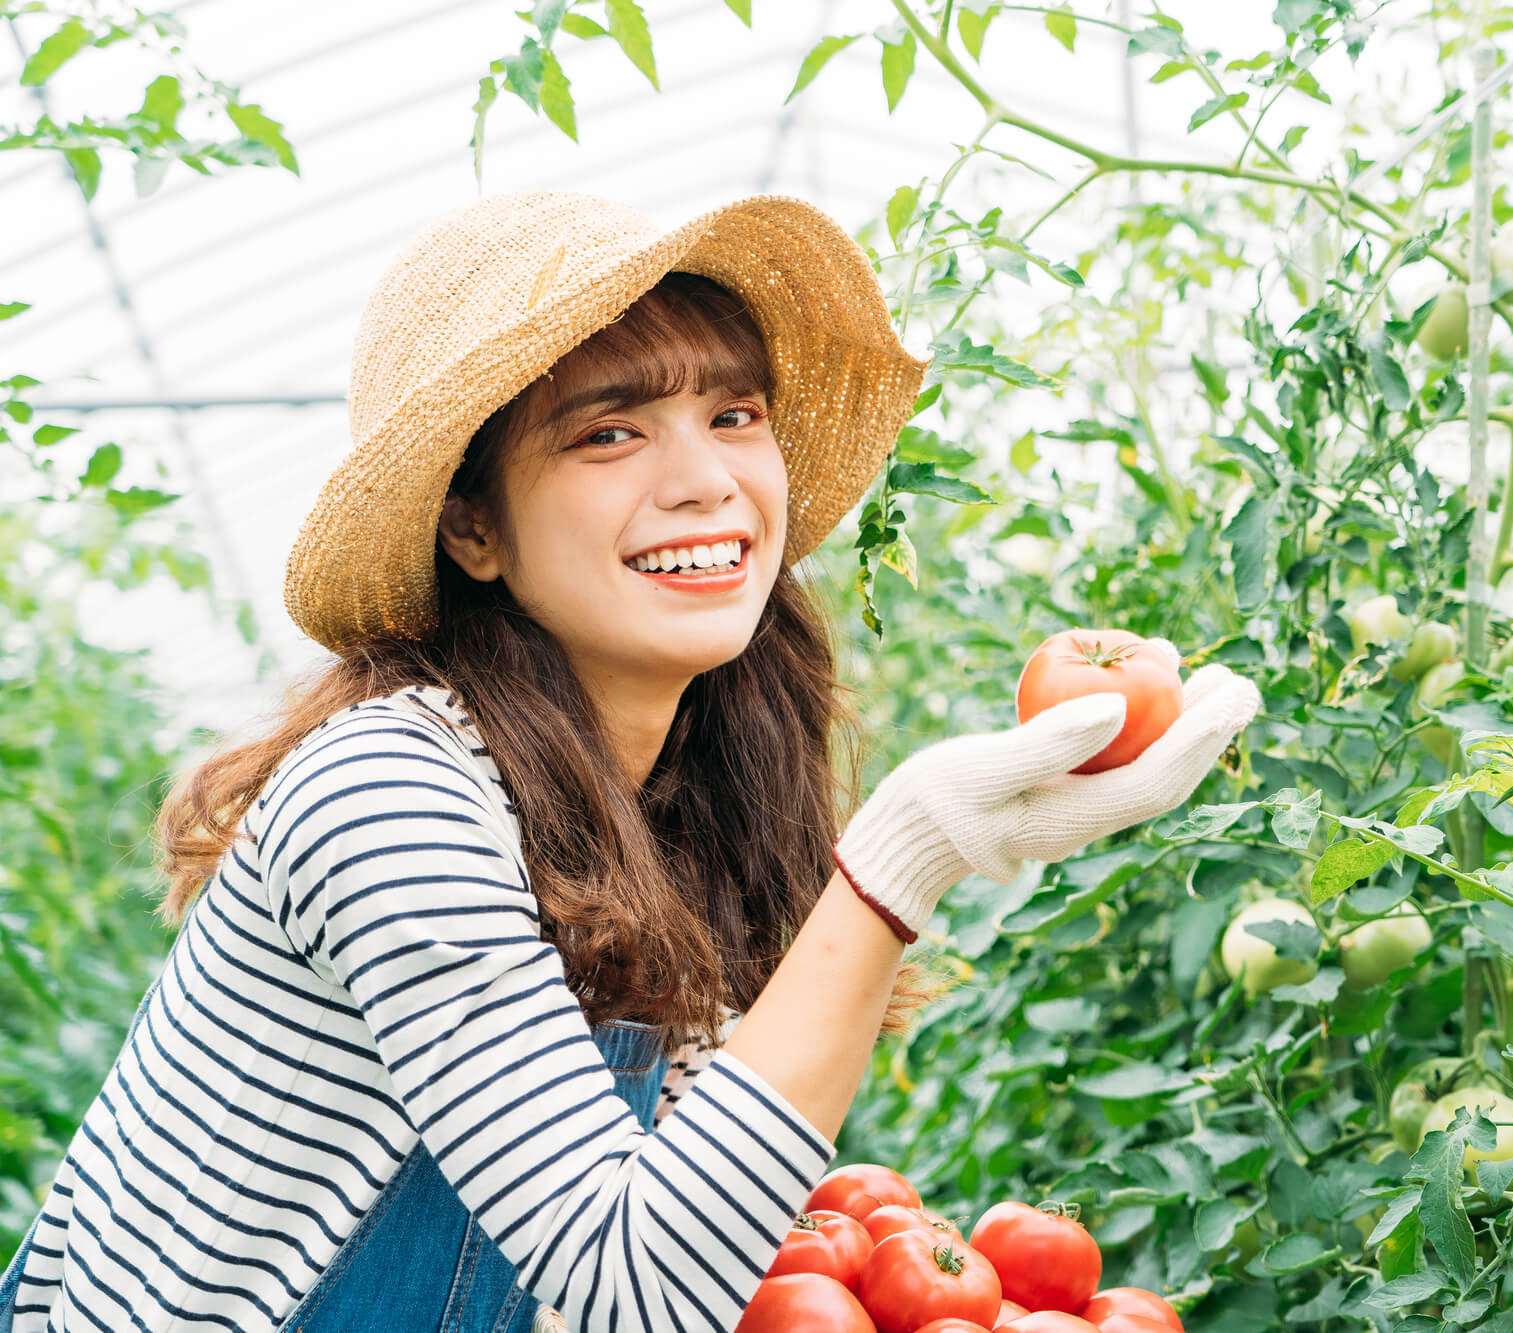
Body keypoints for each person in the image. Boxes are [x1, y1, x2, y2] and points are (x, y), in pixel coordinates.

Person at [0, 191, 1259, 1332]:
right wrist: (898, 857)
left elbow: (688, 1252)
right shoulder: (386, 791)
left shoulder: (676, 803)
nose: (706, 479)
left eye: (733, 413)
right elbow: (632, 1287)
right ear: (474, 527)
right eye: (609, 433)